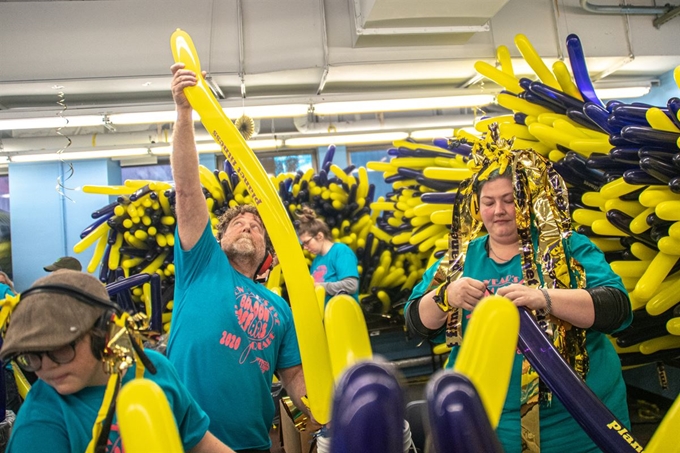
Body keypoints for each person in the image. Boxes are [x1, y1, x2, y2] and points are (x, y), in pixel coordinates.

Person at [405, 126, 632, 453]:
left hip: (582, 424)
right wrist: (446, 296)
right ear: (477, 206)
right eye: (489, 202)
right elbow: (414, 323)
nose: (499, 211)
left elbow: (617, 310)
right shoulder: (457, 261)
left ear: (528, 201)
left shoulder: (567, 249)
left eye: (510, 200)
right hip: (491, 425)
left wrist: (545, 298)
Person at [166, 62, 310, 453]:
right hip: (181, 439)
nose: (247, 226)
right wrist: (184, 112)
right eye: (238, 223)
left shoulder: (279, 307)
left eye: (257, 226)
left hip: (251, 445)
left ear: (269, 254)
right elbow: (187, 189)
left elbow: (295, 377)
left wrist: (324, 412)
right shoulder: (200, 264)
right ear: (218, 237)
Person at [0, 269, 235, 453]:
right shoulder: (40, 422)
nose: (46, 367)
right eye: (32, 356)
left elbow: (198, 442)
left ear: (104, 330)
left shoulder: (154, 368)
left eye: (61, 349)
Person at [295, 206, 360, 305]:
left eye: (307, 242)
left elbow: (351, 285)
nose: (305, 247)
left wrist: (319, 287)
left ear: (320, 236)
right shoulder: (316, 261)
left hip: (342, 316)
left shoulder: (341, 251)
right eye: (303, 244)